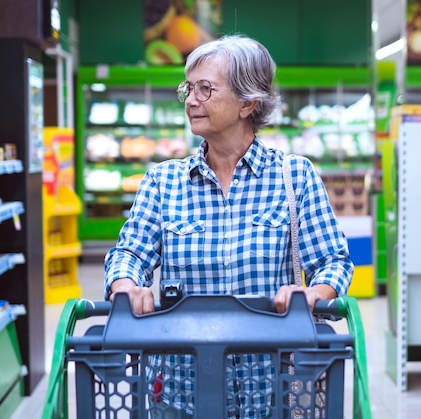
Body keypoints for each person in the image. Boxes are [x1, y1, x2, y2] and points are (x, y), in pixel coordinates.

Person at [104, 34, 353, 418]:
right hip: (179, 389)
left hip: (272, 388)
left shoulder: (295, 176)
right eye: (188, 88)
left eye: (206, 89)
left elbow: (333, 262)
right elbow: (129, 254)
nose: (190, 100)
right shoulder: (163, 181)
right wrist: (127, 286)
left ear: (248, 103)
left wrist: (312, 293)